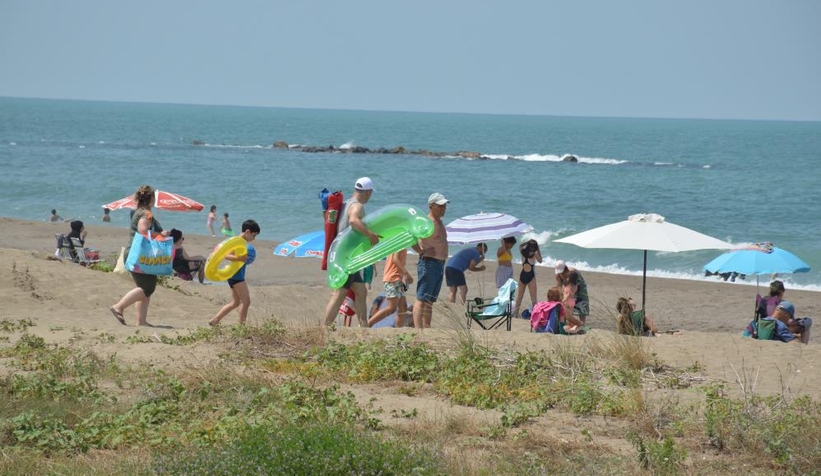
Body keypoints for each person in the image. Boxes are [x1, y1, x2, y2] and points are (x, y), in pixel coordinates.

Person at [109, 185, 171, 326]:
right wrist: (160, 234)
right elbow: (143, 230)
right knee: (148, 288)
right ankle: (118, 307)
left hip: (137, 254)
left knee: (145, 288)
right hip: (139, 255)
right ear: (151, 199)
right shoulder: (146, 214)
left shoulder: (140, 212)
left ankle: (141, 321)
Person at [323, 177, 379, 327]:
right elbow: (354, 221)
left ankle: (364, 328)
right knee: (339, 294)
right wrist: (370, 235)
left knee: (361, 292)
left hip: (346, 255)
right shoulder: (357, 206)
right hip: (346, 256)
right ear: (367, 192)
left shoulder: (345, 204)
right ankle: (325, 328)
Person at [209, 220, 260, 326]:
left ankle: (215, 320)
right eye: (254, 235)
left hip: (234, 275)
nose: (254, 238)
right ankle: (242, 327)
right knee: (246, 302)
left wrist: (242, 258)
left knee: (236, 302)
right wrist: (239, 258)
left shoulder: (242, 243)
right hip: (236, 276)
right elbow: (226, 255)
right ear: (247, 232)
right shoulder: (237, 242)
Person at [412, 192, 450, 329]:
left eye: (444, 206)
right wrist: (421, 251)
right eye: (440, 206)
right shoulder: (427, 222)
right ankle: (418, 329)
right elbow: (411, 238)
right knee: (421, 298)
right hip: (429, 263)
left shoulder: (439, 222)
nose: (443, 208)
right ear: (431, 206)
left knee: (430, 300)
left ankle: (426, 327)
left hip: (439, 264)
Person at [368, 248, 414, 327]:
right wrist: (406, 274)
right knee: (392, 308)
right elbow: (395, 259)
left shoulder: (403, 241)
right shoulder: (400, 240)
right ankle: (368, 324)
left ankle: (398, 329)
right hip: (392, 278)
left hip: (397, 279)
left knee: (403, 307)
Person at [748, 300, 813, 344]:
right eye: (789, 317)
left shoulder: (763, 320)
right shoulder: (780, 325)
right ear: (786, 315)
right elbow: (795, 344)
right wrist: (802, 334)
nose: (788, 320)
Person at [514, 239, 542, 317]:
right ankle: (536, 315)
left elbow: (520, 245)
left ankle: (516, 313)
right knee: (533, 299)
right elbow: (540, 260)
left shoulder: (523, 251)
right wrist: (538, 250)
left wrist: (527, 242)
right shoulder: (535, 253)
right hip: (531, 276)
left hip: (522, 275)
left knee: (519, 297)